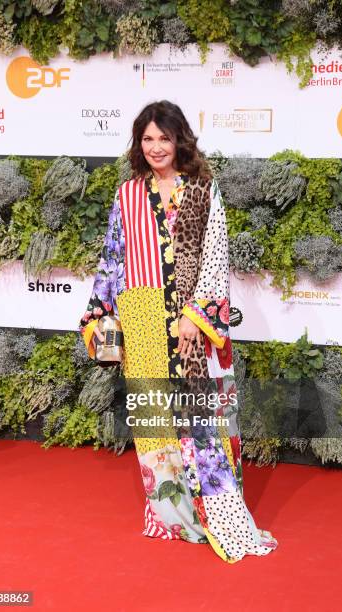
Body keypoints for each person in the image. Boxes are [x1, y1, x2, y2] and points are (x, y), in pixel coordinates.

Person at [79, 100, 277, 563]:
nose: (155, 147)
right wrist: (103, 325)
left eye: (163, 138)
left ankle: (222, 517)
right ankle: (173, 517)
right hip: (142, 321)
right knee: (155, 426)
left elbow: (215, 259)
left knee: (204, 425)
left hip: (191, 328)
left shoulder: (203, 191)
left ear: (179, 140)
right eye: (147, 139)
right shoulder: (127, 194)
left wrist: (195, 315)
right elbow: (112, 261)